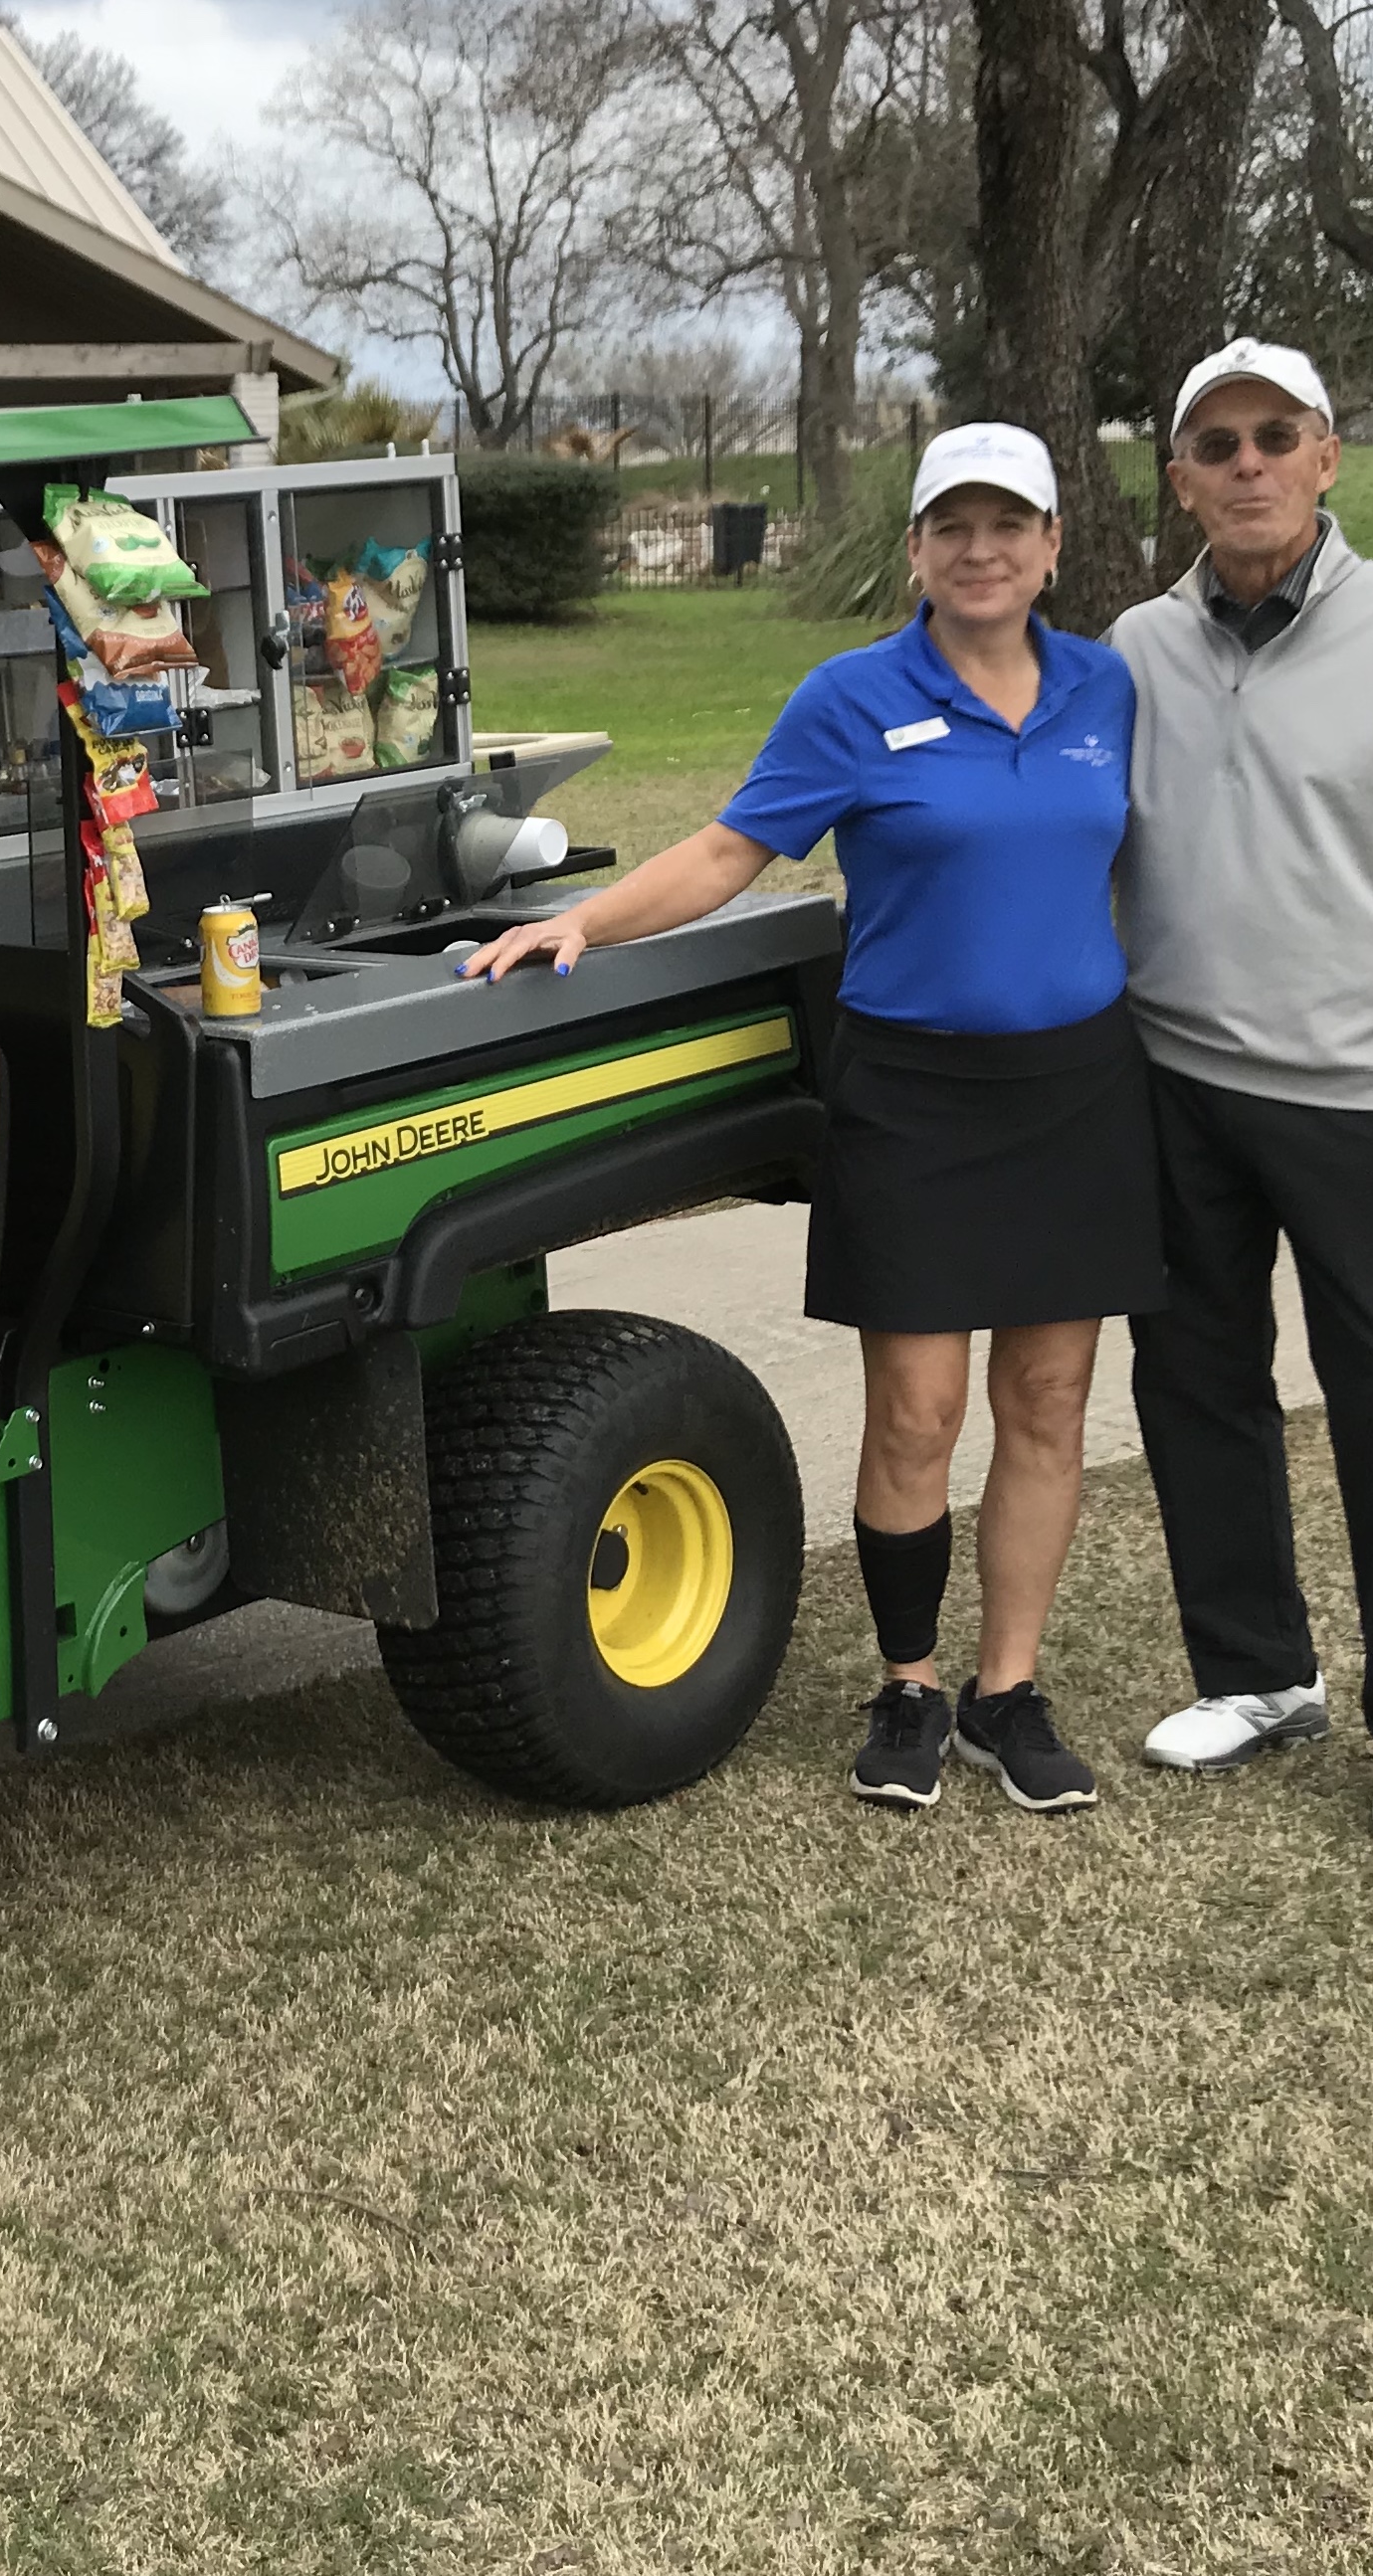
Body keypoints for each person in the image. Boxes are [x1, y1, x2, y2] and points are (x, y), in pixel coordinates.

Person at [466, 423, 1154, 1816]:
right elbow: (731, 848)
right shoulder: (852, 697)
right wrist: (584, 922)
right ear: (915, 550)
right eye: (951, 527)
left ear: (1051, 546)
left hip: (1076, 1088)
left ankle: (1006, 1692)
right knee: (917, 1410)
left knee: (1046, 1399)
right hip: (911, 1093)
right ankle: (909, 1683)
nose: (979, 551)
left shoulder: (1106, 688)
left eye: (1006, 526)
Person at [1107, 338, 1373, 1850]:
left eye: (1276, 437)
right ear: (1180, 481)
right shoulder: (1135, 645)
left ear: (1328, 456)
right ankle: (1256, 1672)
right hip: (1176, 1084)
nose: (1248, 465)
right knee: (1193, 1382)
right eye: (1216, 445)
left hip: (1370, 1104)